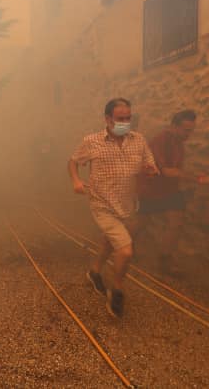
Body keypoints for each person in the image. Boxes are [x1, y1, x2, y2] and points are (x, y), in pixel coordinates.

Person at [68, 98, 159, 317]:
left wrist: (150, 170)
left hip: (128, 205)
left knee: (111, 242)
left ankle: (94, 271)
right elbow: (72, 161)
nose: (125, 122)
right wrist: (76, 181)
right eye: (120, 119)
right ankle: (117, 289)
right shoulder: (92, 141)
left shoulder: (139, 140)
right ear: (108, 119)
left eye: (128, 118)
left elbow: (150, 166)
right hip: (102, 204)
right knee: (125, 250)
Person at [137, 109, 209, 276]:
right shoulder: (160, 141)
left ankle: (164, 260)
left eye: (191, 130)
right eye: (186, 130)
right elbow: (167, 171)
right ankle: (118, 246)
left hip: (169, 190)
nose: (189, 134)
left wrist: (193, 177)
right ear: (174, 126)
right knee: (140, 225)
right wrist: (198, 178)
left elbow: (177, 170)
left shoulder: (179, 142)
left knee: (176, 223)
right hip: (149, 189)